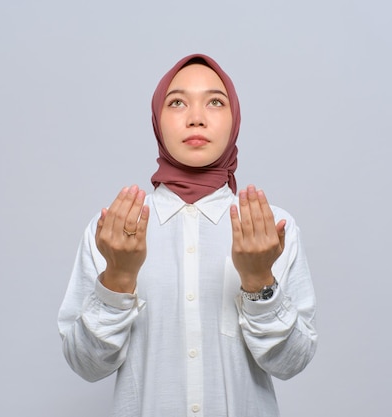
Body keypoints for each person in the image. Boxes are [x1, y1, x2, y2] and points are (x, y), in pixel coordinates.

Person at [57, 53, 317, 417]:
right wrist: (117, 277)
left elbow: (291, 364)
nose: (196, 117)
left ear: (235, 119)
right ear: (156, 121)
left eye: (215, 101)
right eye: (177, 102)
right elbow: (86, 365)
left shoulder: (272, 229)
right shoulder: (115, 231)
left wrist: (259, 281)